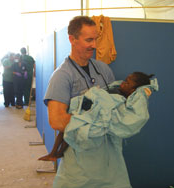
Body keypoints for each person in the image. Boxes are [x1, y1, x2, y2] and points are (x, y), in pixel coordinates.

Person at [44, 16, 118, 187]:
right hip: (80, 156)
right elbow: (56, 120)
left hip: (109, 154)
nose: (94, 45)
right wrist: (96, 121)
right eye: (89, 40)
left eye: (96, 39)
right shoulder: (62, 76)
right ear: (72, 39)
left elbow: (115, 103)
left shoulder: (103, 70)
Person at [39, 72, 155, 161]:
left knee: (70, 129)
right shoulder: (116, 88)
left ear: (132, 91)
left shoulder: (122, 99)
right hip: (86, 106)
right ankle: (55, 153)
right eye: (125, 80)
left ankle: (56, 153)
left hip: (91, 113)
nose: (123, 83)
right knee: (64, 129)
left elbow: (109, 107)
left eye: (127, 83)